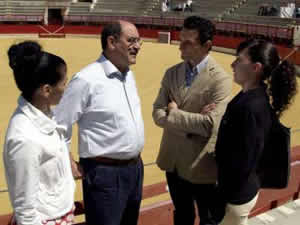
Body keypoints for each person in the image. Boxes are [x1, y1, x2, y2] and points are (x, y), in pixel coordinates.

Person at [53, 20, 144, 225]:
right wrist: (68, 160)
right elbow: (59, 125)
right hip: (104, 174)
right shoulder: (86, 80)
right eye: (131, 40)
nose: (137, 46)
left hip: (135, 169)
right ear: (112, 42)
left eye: (139, 41)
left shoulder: (129, 75)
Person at [152, 16, 232, 225]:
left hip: (201, 166)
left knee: (208, 219)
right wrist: (190, 120)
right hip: (173, 162)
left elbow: (209, 125)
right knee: (182, 214)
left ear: (207, 46)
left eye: (188, 42)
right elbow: (157, 113)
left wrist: (174, 114)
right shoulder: (172, 73)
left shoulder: (220, 79)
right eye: (181, 39)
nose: (181, 44)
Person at [215, 39, 298, 225]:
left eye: (239, 60)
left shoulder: (252, 107)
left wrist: (223, 197)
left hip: (235, 195)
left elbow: (245, 161)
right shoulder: (253, 96)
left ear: (256, 68)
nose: (233, 64)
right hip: (242, 189)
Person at [3, 41, 75, 225]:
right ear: (46, 90)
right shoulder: (24, 137)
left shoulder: (44, 115)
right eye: (63, 83)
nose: (66, 88)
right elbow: (25, 210)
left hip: (60, 215)